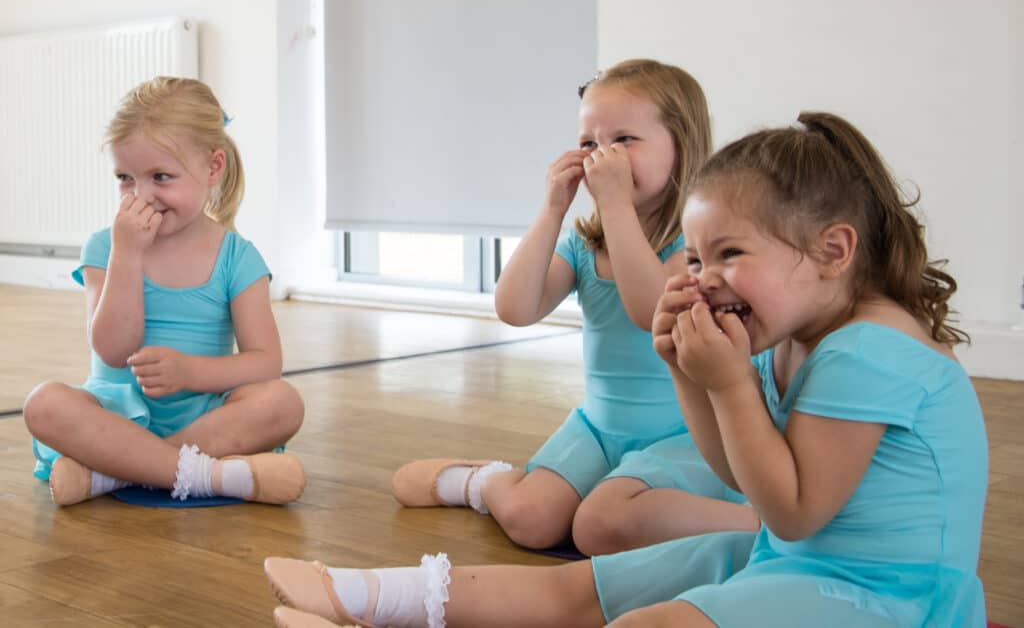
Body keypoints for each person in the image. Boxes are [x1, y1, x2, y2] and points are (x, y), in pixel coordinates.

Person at [263, 111, 987, 627]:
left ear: (833, 250)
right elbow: (744, 477)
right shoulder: (792, 335)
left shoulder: (870, 351)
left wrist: (729, 383)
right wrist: (685, 371)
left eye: (731, 255)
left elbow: (794, 513)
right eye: (698, 259)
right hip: (793, 558)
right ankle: (358, 596)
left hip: (890, 599)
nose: (706, 278)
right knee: (583, 588)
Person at [392, 59, 757, 556]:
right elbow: (514, 308)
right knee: (530, 519)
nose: (601, 154)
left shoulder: (694, 249)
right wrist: (552, 209)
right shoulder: (586, 246)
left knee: (595, 528)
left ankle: (764, 525)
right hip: (600, 426)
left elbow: (652, 313)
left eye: (624, 139)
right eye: (589, 142)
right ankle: (481, 482)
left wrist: (616, 207)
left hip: (687, 436)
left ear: (682, 145)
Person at [24, 76, 306, 506]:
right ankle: (206, 474)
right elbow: (112, 351)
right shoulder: (105, 247)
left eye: (161, 176)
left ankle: (114, 471)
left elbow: (267, 363)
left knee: (284, 404)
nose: (142, 196)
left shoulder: (237, 257)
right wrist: (128, 255)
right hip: (114, 417)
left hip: (202, 419)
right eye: (125, 178)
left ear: (213, 168)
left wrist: (192, 373)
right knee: (43, 405)